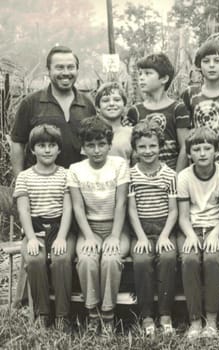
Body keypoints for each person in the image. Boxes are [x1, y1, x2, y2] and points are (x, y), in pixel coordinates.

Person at [68, 117, 130, 334]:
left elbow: (121, 202)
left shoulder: (120, 165)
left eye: (101, 144)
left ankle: (108, 314)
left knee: (111, 259)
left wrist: (114, 235)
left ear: (109, 145)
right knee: (87, 260)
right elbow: (77, 207)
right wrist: (89, 236)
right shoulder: (75, 169)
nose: (96, 150)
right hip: (89, 227)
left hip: (116, 226)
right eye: (91, 145)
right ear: (83, 147)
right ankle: (93, 314)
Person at [14, 125, 75, 333]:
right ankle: (42, 314)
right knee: (35, 259)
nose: (47, 150)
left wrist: (62, 237)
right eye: (41, 145)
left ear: (59, 149)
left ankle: (62, 315)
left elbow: (68, 208)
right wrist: (30, 238)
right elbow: (23, 211)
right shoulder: (24, 177)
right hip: (35, 229)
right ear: (32, 149)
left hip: (61, 228)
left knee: (61, 258)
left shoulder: (67, 174)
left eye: (52, 145)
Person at [10, 45, 96, 175]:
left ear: (77, 70)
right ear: (48, 71)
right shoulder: (30, 103)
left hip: (78, 185)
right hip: (40, 186)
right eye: (59, 67)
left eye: (71, 67)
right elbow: (18, 143)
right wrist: (19, 182)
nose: (66, 72)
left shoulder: (88, 104)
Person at [128, 121, 178, 336]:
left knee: (168, 257)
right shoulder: (131, 175)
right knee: (141, 260)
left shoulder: (170, 175)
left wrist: (165, 234)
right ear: (135, 149)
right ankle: (147, 315)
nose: (148, 151)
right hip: (140, 228)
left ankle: (165, 314)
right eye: (142, 147)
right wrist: (140, 237)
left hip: (164, 226)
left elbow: (174, 210)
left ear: (160, 147)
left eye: (153, 146)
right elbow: (131, 210)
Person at [177, 127, 219, 339]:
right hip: (192, 228)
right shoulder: (184, 176)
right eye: (196, 149)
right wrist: (190, 235)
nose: (203, 153)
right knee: (189, 260)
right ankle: (195, 320)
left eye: (208, 148)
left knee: (212, 259)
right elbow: (183, 216)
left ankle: (212, 320)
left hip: (217, 228)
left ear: (216, 150)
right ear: (189, 153)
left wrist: (215, 234)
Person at [124, 53, 191, 171]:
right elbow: (133, 151)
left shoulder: (177, 108)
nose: (141, 78)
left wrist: (177, 177)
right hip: (144, 175)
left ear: (164, 79)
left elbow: (184, 147)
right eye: (140, 74)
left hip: (172, 172)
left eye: (148, 73)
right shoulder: (135, 111)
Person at [95, 82, 133, 163]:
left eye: (117, 100)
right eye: (105, 100)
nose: (111, 104)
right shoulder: (91, 132)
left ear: (124, 105)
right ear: (98, 107)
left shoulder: (131, 133)